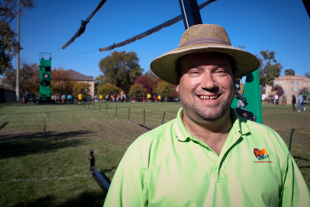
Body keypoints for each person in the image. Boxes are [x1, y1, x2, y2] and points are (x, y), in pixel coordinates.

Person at [103, 24, 310, 206]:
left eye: (220, 71)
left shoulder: (270, 142)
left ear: (234, 81)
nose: (209, 84)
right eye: (195, 71)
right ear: (178, 83)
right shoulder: (143, 153)